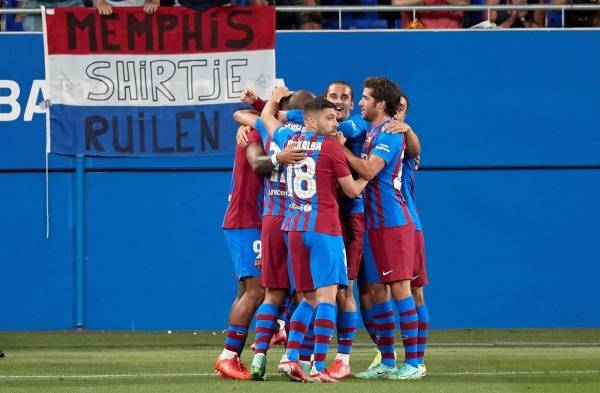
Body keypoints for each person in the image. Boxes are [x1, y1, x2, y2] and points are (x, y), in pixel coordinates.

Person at [264, 93, 368, 383]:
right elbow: (351, 191)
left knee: (306, 298)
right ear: (311, 120)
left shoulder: (289, 142)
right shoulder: (331, 149)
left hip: (294, 228)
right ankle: (319, 366)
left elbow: (269, 121)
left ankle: (291, 357)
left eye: (336, 117)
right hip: (324, 229)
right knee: (327, 298)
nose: (334, 122)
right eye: (329, 117)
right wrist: (369, 175)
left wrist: (268, 108)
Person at [342, 77, 421, 380]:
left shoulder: (390, 133)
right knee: (376, 292)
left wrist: (344, 152)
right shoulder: (372, 131)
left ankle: (413, 364)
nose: (359, 102)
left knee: (401, 290)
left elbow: (369, 169)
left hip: (393, 223)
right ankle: (388, 361)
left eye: (364, 98)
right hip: (373, 224)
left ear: (380, 103)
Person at [214, 124, 266, 380]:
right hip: (247, 222)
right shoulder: (255, 133)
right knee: (257, 290)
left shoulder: (262, 129)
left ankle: (231, 357)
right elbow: (257, 163)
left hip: (247, 222)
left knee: (247, 290)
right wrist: (281, 158)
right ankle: (228, 356)